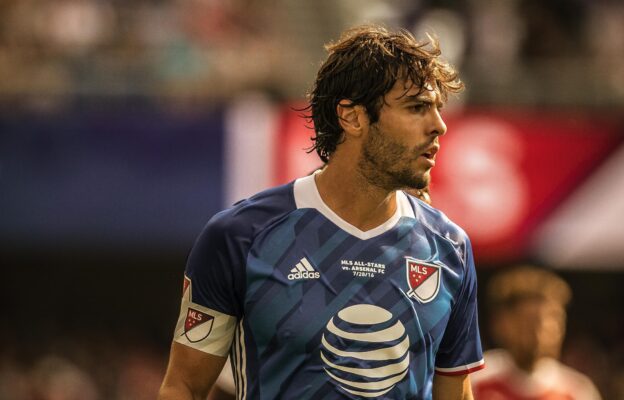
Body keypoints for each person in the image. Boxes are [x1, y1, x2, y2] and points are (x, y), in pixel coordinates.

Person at [158, 24, 484, 399]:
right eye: (416, 107)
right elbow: (183, 386)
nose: (439, 125)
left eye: (438, 109)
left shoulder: (450, 248)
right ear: (352, 117)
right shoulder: (241, 236)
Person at [471, 266, 601, 400]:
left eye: (553, 320)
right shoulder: (475, 381)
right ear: (502, 325)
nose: (539, 333)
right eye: (529, 322)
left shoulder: (577, 391)